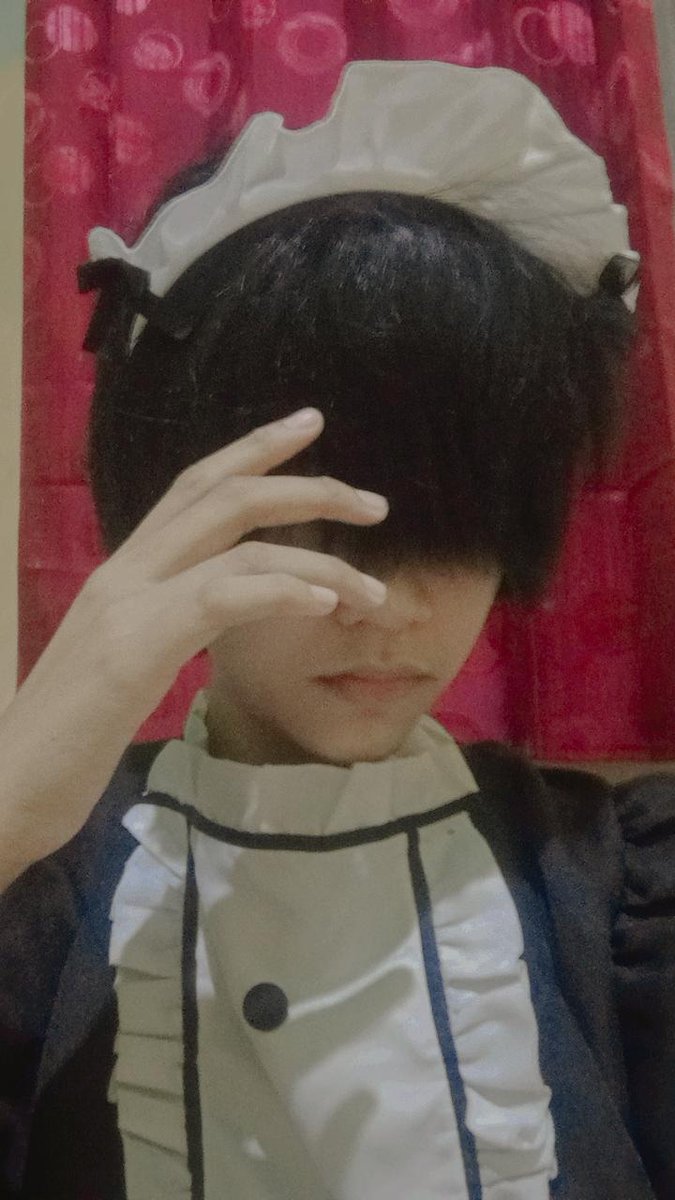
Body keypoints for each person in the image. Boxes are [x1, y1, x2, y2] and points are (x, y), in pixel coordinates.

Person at [0, 59, 672, 1200]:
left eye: (452, 532)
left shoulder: (613, 886)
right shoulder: (49, 892)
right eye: (321, 525)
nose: (391, 607)